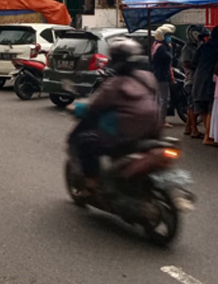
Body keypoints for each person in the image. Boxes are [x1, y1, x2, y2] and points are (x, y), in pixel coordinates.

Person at [69, 39, 160, 193]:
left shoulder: (115, 84)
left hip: (125, 136)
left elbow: (93, 106)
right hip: (153, 131)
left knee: (84, 142)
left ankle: (91, 182)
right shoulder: (148, 77)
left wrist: (75, 108)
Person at [191, 25, 218, 146]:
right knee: (211, 109)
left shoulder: (203, 47)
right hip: (211, 81)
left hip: (198, 79)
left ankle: (208, 135)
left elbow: (193, 62)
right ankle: (208, 136)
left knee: (202, 109)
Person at [181, 25, 206, 138]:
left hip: (197, 79)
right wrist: (198, 66)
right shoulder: (187, 48)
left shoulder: (198, 46)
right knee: (192, 106)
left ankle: (188, 128)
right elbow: (185, 63)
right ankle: (194, 129)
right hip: (191, 80)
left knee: (192, 105)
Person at [151, 24, 175, 128]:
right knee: (163, 99)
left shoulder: (156, 45)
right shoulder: (161, 48)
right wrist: (170, 49)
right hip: (161, 76)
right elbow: (168, 58)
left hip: (158, 75)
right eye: (168, 35)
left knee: (159, 99)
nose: (169, 38)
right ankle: (161, 121)